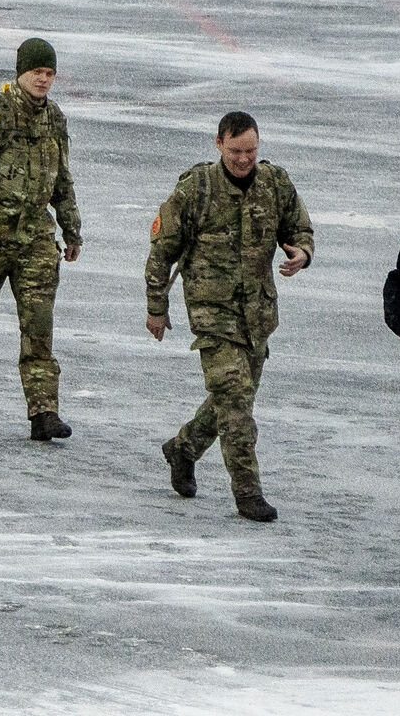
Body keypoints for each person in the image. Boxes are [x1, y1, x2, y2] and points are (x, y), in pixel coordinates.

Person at [147, 108, 312, 523]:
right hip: (212, 312)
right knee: (236, 405)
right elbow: (161, 252)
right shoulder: (195, 189)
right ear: (219, 144)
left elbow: (300, 227)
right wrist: (156, 307)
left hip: (257, 314)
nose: (243, 159)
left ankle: (182, 448)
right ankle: (248, 493)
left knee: (229, 399)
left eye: (251, 151)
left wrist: (302, 253)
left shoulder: (275, 183)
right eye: (236, 150)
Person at [0, 37, 84, 439]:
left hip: (35, 241)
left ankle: (43, 412)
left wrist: (71, 228)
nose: (44, 81)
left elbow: (61, 177)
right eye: (37, 73)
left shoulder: (55, 120)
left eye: (49, 74)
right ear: (21, 73)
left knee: (39, 330)